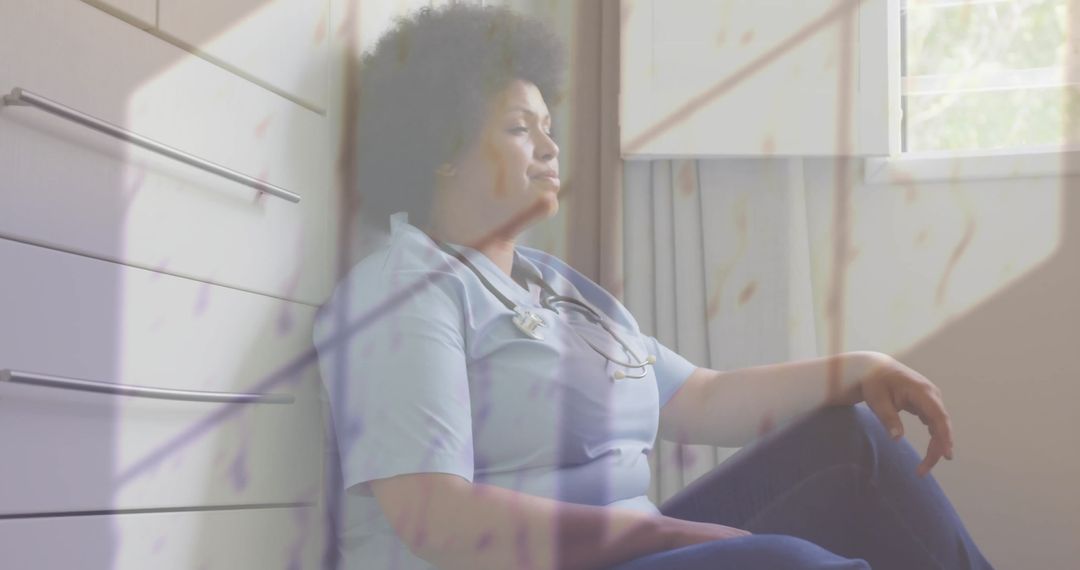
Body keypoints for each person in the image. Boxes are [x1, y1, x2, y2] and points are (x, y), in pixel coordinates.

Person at [312, 4, 995, 570]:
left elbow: (699, 395)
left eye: (549, 129)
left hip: (630, 548)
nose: (550, 148)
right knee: (790, 565)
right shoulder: (402, 294)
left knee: (853, 442)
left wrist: (859, 370)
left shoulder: (553, 288)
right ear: (440, 150)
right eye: (520, 129)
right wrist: (676, 535)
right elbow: (439, 519)